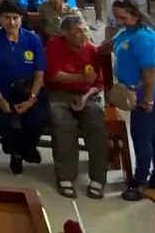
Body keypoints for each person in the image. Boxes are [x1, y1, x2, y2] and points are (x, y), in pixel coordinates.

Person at [107, 0, 155, 200]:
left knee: (141, 136)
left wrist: (148, 100)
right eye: (117, 17)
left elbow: (150, 71)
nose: (119, 21)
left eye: (123, 17)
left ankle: (140, 182)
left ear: (136, 15)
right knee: (154, 133)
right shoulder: (127, 32)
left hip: (153, 95)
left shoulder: (143, 39)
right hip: (143, 94)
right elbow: (110, 45)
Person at [44, 13, 108, 199]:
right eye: (78, 32)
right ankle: (65, 176)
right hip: (59, 93)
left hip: (87, 95)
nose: (83, 35)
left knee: (96, 127)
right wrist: (82, 78)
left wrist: (85, 97)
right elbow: (56, 76)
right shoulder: (55, 45)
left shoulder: (92, 50)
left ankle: (98, 178)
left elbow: (98, 83)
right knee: (62, 125)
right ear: (65, 34)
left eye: (84, 30)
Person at [0, 0, 46, 175]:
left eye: (15, 18)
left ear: (21, 18)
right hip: (1, 91)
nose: (11, 22)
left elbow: (39, 72)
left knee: (37, 118)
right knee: (4, 120)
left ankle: (27, 148)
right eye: (7, 17)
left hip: (29, 91)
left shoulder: (32, 39)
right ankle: (16, 153)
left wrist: (31, 100)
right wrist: (0, 99)